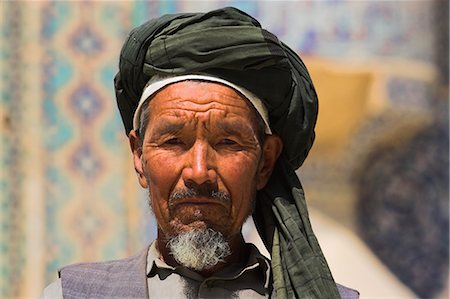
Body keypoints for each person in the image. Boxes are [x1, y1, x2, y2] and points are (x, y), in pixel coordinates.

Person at [40, 7, 359, 299]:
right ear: (139, 157)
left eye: (228, 143)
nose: (199, 172)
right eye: (174, 142)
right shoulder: (72, 295)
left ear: (265, 162)